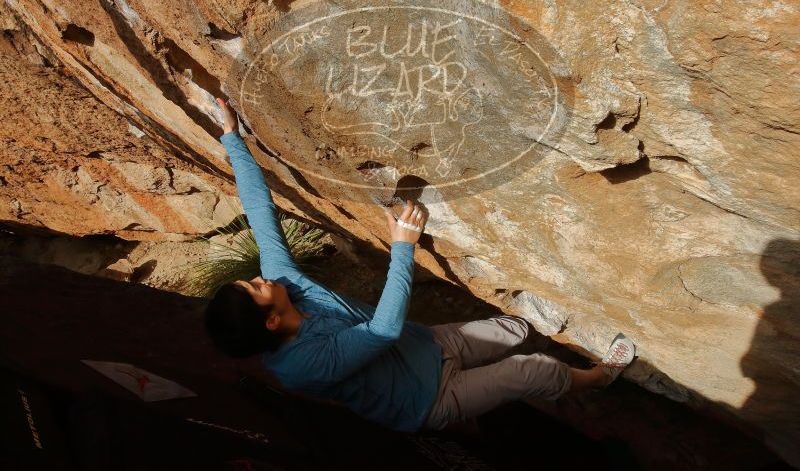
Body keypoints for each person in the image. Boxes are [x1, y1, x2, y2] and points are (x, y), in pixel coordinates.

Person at [204, 97, 636, 433]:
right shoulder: (303, 366)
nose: (261, 277)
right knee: (532, 371)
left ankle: (553, 361)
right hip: (429, 398)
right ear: (272, 320)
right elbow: (381, 330)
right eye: (255, 288)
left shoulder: (284, 281)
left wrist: (232, 139)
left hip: (426, 346)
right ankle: (598, 378)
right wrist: (402, 247)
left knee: (514, 330)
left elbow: (260, 212)